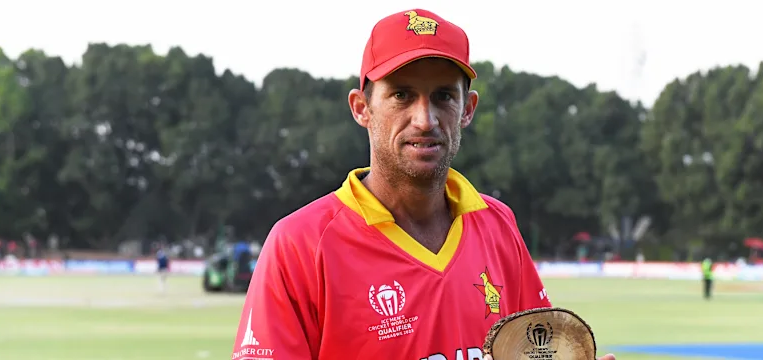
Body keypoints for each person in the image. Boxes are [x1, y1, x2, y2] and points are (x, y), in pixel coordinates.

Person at [231, 8, 616, 360]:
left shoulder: (498, 225)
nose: (425, 119)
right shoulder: (299, 244)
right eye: (402, 95)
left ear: (467, 110)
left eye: (443, 96)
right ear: (361, 108)